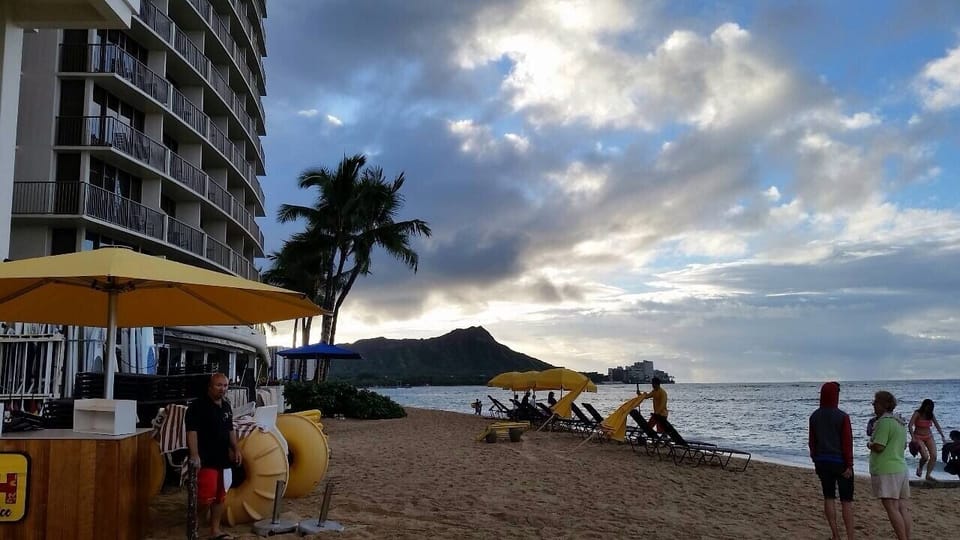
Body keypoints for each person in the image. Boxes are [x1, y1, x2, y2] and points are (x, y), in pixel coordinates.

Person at [186, 373, 242, 540]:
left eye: (225, 386)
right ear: (210, 386)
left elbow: (230, 429)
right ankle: (193, 527)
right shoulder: (197, 407)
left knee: (220, 496)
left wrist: (236, 449)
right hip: (206, 458)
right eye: (219, 385)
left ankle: (215, 530)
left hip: (223, 458)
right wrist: (194, 455)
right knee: (204, 498)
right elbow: (192, 432)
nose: (222, 389)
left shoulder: (226, 406)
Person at [808, 381, 854, 540]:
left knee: (829, 497)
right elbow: (847, 443)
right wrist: (849, 464)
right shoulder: (842, 417)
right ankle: (850, 537)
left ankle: (835, 534)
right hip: (840, 462)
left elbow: (812, 442)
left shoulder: (814, 416)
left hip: (822, 462)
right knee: (846, 501)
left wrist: (815, 459)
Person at [868, 390, 911, 540]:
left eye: (876, 402)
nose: (873, 405)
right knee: (902, 508)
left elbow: (879, 446)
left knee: (892, 508)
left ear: (883, 405)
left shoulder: (884, 422)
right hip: (901, 468)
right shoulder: (900, 422)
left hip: (887, 469)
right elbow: (904, 445)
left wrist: (869, 444)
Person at [908, 399, 946, 481]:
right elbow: (910, 425)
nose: (928, 409)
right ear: (924, 406)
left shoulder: (930, 415)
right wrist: (913, 438)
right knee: (925, 457)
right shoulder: (917, 413)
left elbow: (937, 425)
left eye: (930, 408)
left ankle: (928, 475)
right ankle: (920, 468)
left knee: (934, 456)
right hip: (918, 437)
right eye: (927, 407)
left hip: (929, 436)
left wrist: (942, 435)